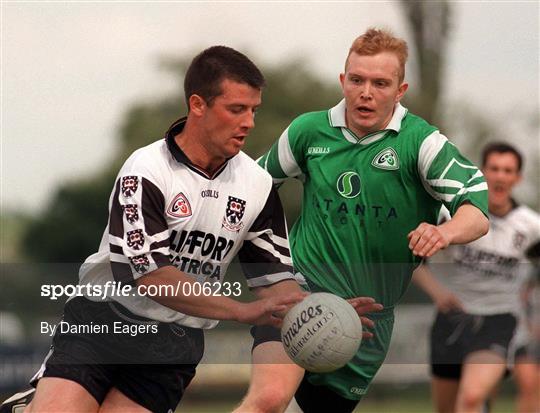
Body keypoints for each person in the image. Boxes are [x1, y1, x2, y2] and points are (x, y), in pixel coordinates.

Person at [1, 46, 315, 413]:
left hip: (173, 343)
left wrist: (316, 309)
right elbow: (151, 277)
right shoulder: (146, 170)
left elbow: (275, 279)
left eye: (253, 110)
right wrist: (240, 310)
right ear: (198, 105)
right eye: (236, 109)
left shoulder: (257, 185)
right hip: (106, 320)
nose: (249, 122)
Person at [236, 28, 489, 413]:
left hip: (364, 329)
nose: (365, 92)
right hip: (300, 297)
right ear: (343, 80)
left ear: (400, 90)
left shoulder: (421, 143)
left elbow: (476, 208)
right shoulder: (308, 131)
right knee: (268, 400)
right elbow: (249, 190)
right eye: (356, 80)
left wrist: (443, 231)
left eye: (380, 83)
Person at [412, 142, 540, 413]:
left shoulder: (531, 227)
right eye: (494, 168)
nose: (500, 176)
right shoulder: (451, 216)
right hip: (452, 319)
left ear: (517, 178)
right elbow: (414, 262)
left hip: (498, 322)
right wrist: (438, 293)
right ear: (482, 172)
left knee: (470, 398)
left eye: (508, 170)